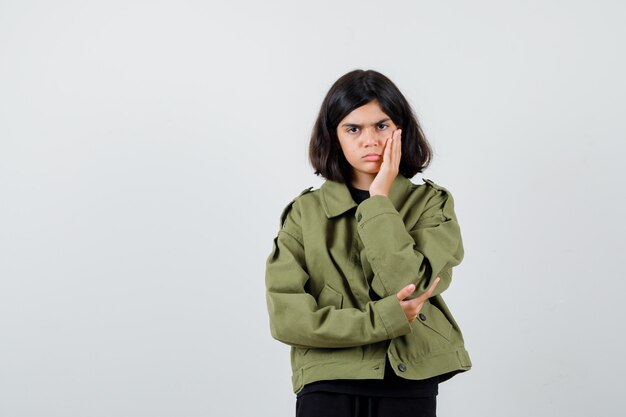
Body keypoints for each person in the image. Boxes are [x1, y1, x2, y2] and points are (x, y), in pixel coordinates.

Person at [265, 69, 471, 417]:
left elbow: (409, 285)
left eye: (382, 125)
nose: (370, 140)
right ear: (334, 136)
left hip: (408, 379)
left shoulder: (431, 204)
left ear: (401, 130)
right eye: (353, 128)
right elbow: (288, 320)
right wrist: (383, 319)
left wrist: (378, 200)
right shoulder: (304, 213)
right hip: (327, 382)